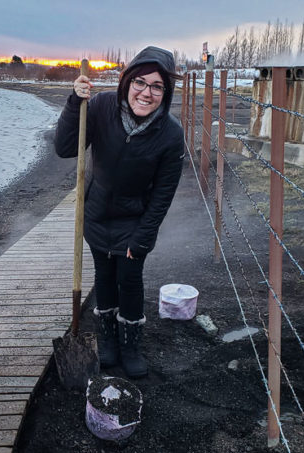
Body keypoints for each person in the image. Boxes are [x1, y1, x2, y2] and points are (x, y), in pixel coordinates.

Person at [54, 46, 184, 378]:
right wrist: (74, 102)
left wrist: (144, 235)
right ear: (127, 81)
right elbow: (65, 147)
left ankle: (130, 345)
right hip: (96, 214)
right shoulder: (99, 108)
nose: (147, 92)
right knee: (104, 276)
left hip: (135, 220)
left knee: (130, 279)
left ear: (165, 93)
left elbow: (163, 194)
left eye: (157, 86)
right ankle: (107, 339)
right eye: (140, 82)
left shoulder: (170, 134)